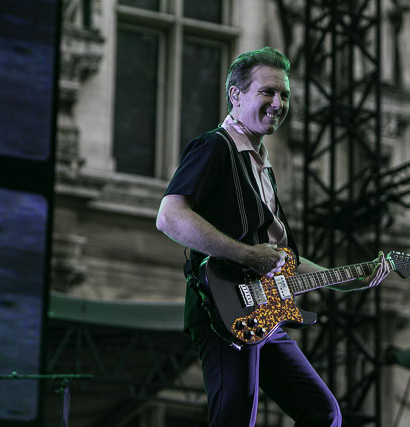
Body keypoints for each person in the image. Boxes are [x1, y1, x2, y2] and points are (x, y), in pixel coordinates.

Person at [156, 46, 391, 427]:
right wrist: (248, 256)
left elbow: (284, 260)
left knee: (323, 413)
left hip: (266, 313)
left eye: (284, 94)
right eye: (267, 91)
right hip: (222, 308)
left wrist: (343, 280)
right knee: (235, 418)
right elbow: (170, 216)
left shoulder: (261, 166)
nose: (278, 102)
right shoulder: (216, 146)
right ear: (236, 95)